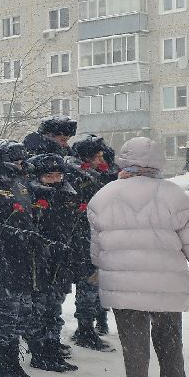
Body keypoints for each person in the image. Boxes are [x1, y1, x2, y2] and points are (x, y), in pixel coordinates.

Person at [87, 137, 189, 377]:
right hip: (165, 286)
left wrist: (99, 268)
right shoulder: (175, 196)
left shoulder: (103, 196)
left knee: (134, 349)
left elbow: (98, 245)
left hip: (123, 286)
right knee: (170, 345)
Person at [0, 140, 42, 377]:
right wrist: (14, 233)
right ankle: (3, 362)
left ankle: (12, 360)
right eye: (14, 160)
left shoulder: (21, 183)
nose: (19, 164)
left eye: (21, 159)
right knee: (6, 312)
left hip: (23, 257)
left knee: (21, 310)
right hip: (3, 257)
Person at [23, 153, 84, 373]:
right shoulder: (31, 196)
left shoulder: (68, 195)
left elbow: (74, 228)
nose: (56, 180)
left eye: (59, 175)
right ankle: (40, 352)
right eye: (50, 176)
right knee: (39, 310)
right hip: (39, 262)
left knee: (54, 308)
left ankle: (51, 346)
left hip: (62, 260)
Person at [65, 133, 116, 352]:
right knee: (89, 283)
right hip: (83, 237)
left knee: (96, 282)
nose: (101, 161)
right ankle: (85, 329)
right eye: (97, 157)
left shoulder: (95, 174)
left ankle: (93, 324)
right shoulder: (79, 176)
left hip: (96, 235)